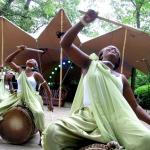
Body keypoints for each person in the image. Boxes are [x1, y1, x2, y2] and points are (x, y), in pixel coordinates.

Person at [42, 10, 150, 150]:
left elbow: (135, 107)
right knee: (52, 132)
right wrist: (83, 22)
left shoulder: (121, 78)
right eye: (109, 48)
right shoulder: (89, 64)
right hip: (87, 117)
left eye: (117, 51)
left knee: (147, 140)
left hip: (117, 119)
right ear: (100, 55)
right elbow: (65, 44)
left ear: (118, 61)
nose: (114, 50)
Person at [0, 45, 53, 144]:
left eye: (33, 60)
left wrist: (50, 103)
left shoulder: (36, 75)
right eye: (30, 59)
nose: (31, 59)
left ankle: (42, 137)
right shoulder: (20, 70)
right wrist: (18, 50)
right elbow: (7, 61)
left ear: (35, 65)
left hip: (32, 97)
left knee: (39, 113)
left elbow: (47, 89)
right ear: (26, 63)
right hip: (18, 97)